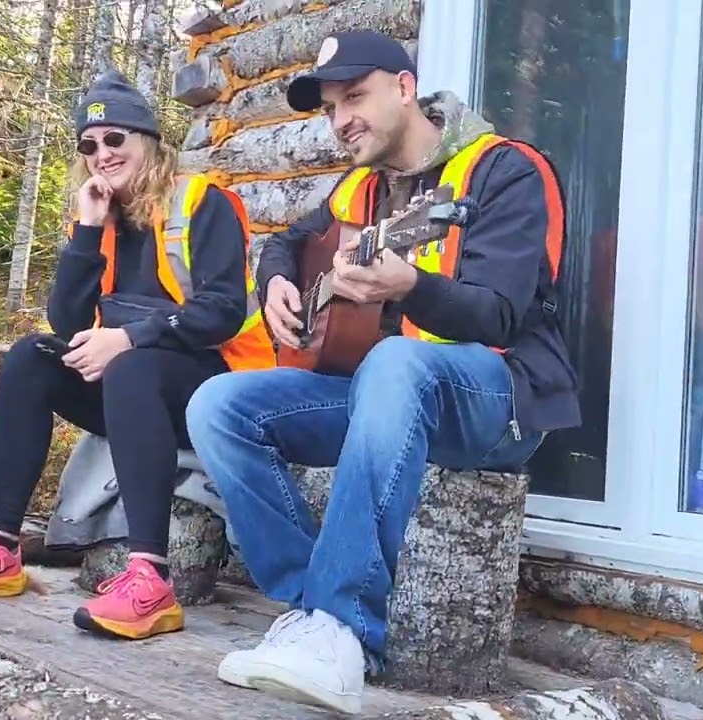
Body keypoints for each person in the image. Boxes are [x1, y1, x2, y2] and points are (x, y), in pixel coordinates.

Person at [184, 30, 580, 714]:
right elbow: (287, 243)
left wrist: (410, 287)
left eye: (355, 97)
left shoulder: (505, 170)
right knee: (219, 405)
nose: (341, 120)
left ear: (404, 88)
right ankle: (308, 610)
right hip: (385, 398)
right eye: (330, 108)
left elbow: (500, 314)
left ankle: (343, 627)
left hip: (500, 399)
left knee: (394, 360)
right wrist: (275, 283)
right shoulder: (359, 189)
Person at [0, 70, 276, 641]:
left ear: (149, 141)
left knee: (132, 365)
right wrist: (87, 230)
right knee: (30, 356)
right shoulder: (99, 216)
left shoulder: (201, 201)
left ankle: (150, 580)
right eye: (88, 146)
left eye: (115, 139)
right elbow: (67, 322)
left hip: (222, 390)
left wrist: (129, 337)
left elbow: (222, 310)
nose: (102, 154)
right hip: (136, 395)